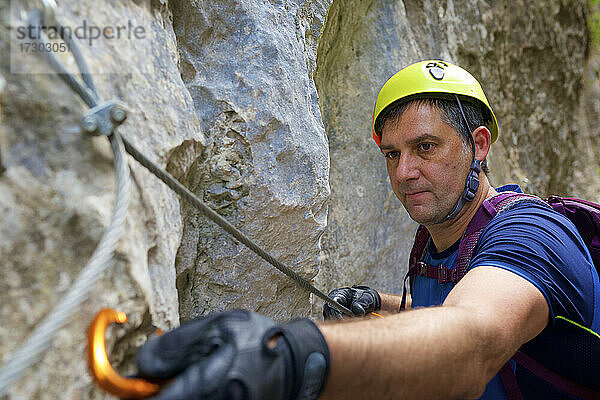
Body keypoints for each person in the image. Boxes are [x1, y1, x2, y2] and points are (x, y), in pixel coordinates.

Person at [135, 60, 600, 399]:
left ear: (478, 145)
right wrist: (378, 304)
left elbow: (471, 342)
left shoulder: (532, 235)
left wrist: (293, 355)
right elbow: (445, 308)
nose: (404, 172)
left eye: (425, 147)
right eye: (392, 154)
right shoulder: (439, 243)